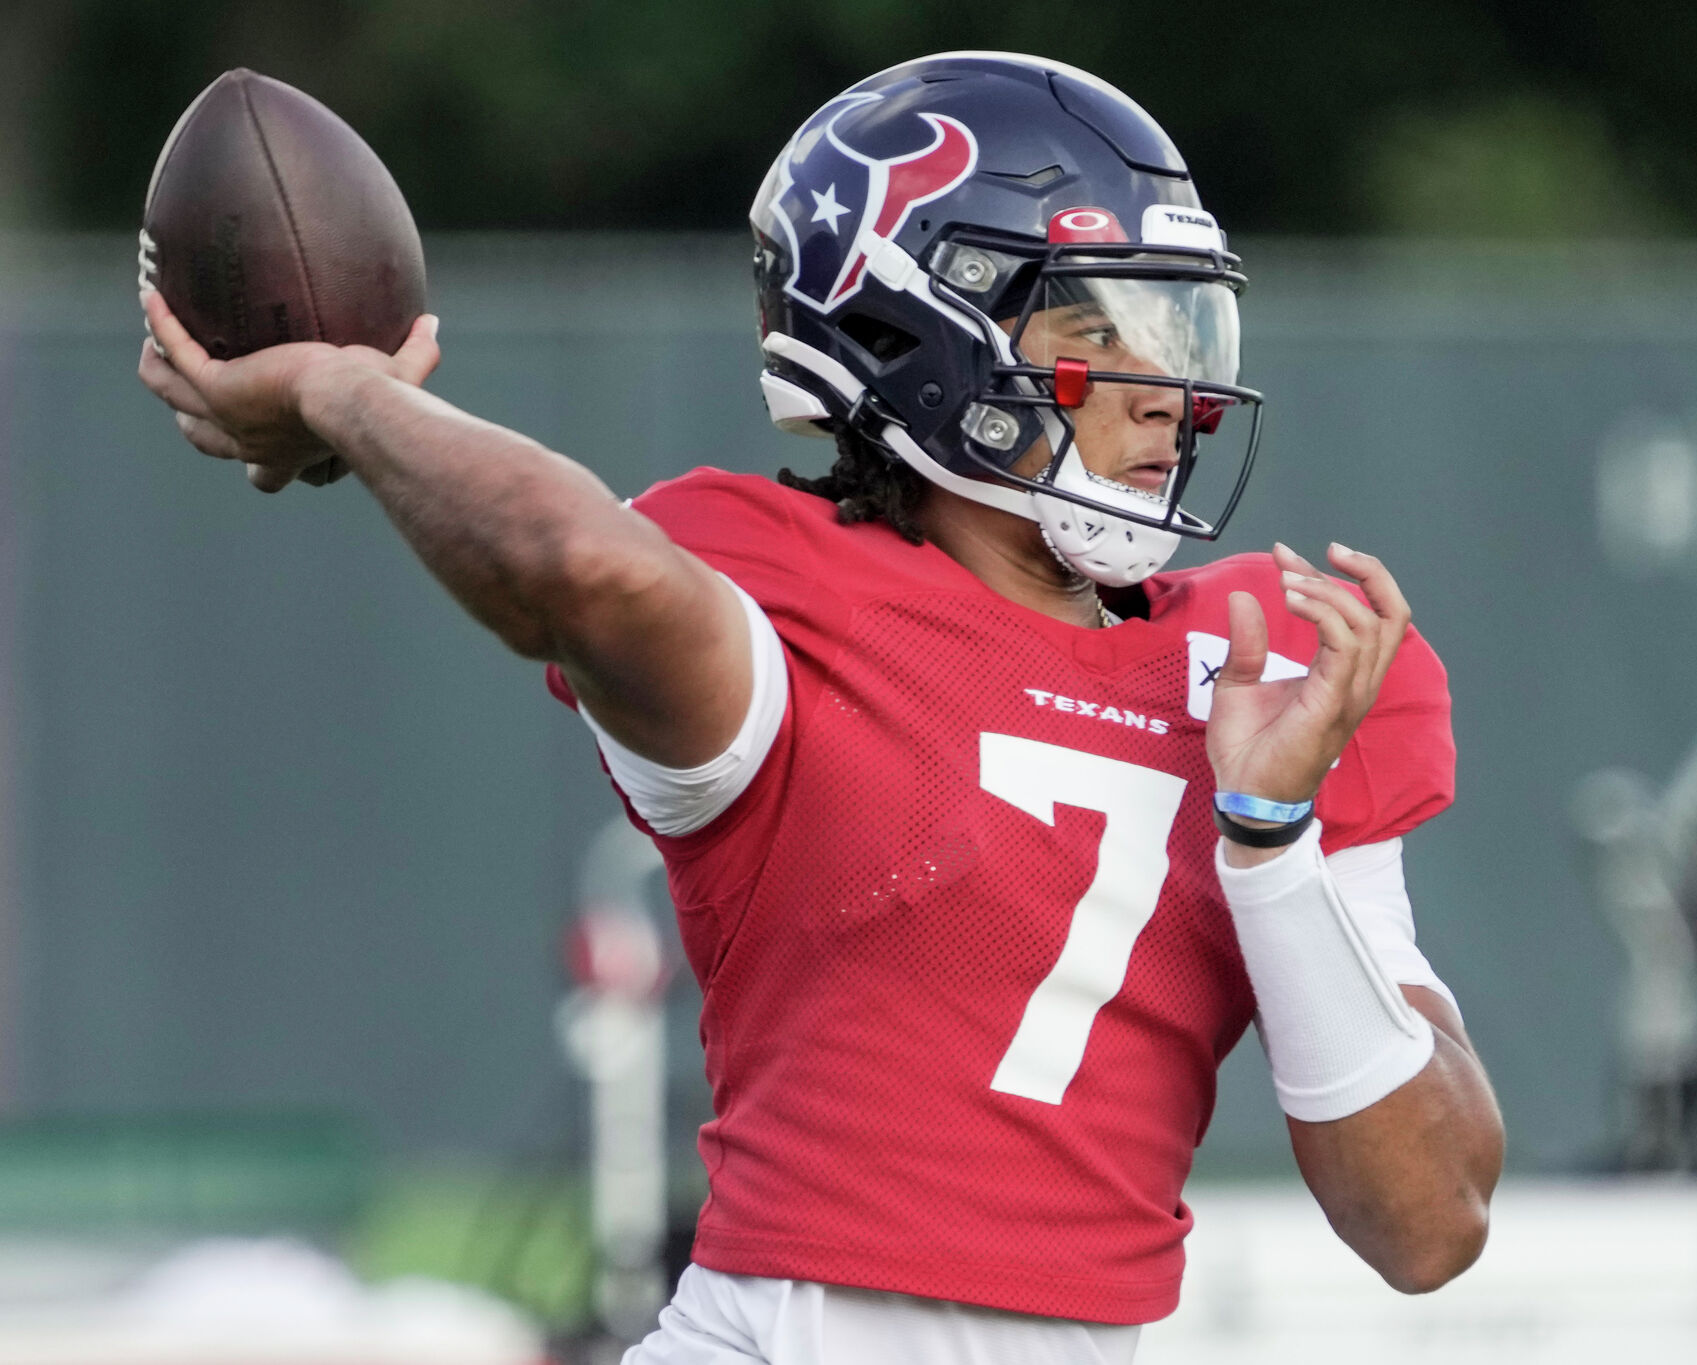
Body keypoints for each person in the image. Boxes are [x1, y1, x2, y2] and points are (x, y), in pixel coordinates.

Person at [138, 51, 1502, 1365]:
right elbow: (578, 565)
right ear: (922, 332)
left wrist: (1272, 839)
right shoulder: (788, 598)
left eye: (1178, 327)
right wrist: (345, 388)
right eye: (1099, 328)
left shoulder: (1257, 660)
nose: (1167, 391)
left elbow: (1430, 1224)